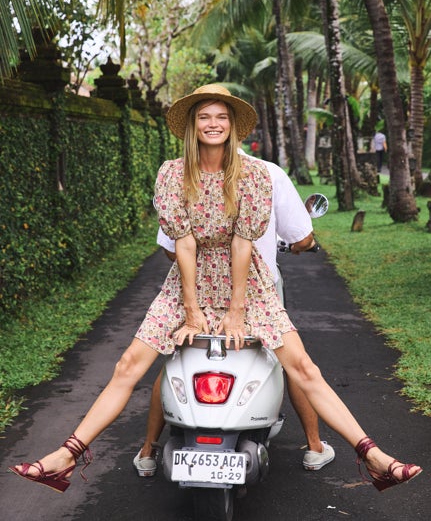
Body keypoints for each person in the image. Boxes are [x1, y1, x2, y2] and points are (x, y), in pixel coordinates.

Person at [10, 84, 421, 495]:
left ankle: (373, 457)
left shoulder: (254, 174)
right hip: (187, 280)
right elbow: (184, 244)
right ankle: (65, 457)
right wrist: (191, 310)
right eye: (204, 116)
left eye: (221, 117)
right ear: (192, 125)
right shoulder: (173, 173)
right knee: (128, 365)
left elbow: (243, 243)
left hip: (248, 282)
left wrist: (237, 310)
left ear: (232, 126)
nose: (213, 124)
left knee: (304, 369)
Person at [133, 150, 335, 477]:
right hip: (257, 291)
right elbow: (302, 236)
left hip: (199, 291)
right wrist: (304, 245)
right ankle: (314, 446)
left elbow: (171, 248)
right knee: (292, 362)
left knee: (177, 357)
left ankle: (147, 451)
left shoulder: (182, 173)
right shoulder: (268, 173)